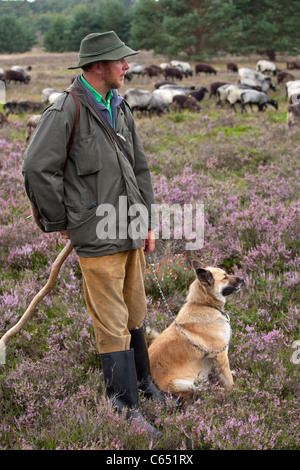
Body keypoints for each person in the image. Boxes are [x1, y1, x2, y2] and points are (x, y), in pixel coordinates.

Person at [22, 31, 165, 437]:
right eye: (120, 61)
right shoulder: (65, 110)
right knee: (112, 321)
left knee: (135, 310)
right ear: (99, 66)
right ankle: (123, 407)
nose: (127, 66)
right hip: (97, 236)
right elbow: (36, 168)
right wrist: (63, 219)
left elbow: (140, 169)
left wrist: (149, 220)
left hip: (130, 231)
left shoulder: (120, 106)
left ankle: (145, 387)